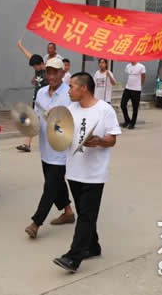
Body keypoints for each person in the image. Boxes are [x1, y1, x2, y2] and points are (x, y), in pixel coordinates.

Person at [53, 72, 122, 273]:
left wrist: (99, 141)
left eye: (72, 86)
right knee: (85, 213)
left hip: (94, 173)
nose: (69, 90)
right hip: (74, 171)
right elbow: (60, 134)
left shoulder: (104, 110)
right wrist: (54, 126)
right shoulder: (69, 110)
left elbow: (113, 139)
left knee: (86, 216)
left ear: (84, 88)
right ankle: (93, 246)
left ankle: (73, 258)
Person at [25, 57, 75, 239]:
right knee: (57, 183)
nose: (52, 76)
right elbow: (37, 117)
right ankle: (68, 212)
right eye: (49, 72)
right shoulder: (41, 93)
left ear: (63, 73)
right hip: (45, 148)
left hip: (61, 148)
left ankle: (36, 223)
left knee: (50, 186)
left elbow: (72, 122)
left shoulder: (69, 94)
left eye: (56, 72)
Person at [16, 40, 48, 152]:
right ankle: (27, 144)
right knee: (33, 121)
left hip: (47, 103)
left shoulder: (49, 72)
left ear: (41, 64)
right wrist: (21, 46)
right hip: (37, 100)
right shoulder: (38, 70)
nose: (34, 69)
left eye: (36, 66)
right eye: (33, 66)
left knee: (46, 124)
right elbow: (29, 55)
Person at [121, 61, 146, 129]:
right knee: (122, 104)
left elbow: (143, 77)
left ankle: (132, 123)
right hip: (128, 88)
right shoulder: (128, 66)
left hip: (136, 90)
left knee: (135, 107)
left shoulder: (141, 66)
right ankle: (127, 120)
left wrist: (140, 85)